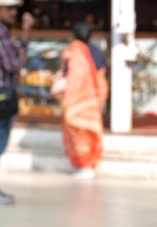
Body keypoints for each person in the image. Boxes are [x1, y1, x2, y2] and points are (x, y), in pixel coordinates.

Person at [0, 0, 34, 206]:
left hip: (3, 96)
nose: (13, 12)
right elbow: (15, 63)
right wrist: (23, 47)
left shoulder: (0, 30)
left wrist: (25, 33)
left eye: (15, 8)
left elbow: (16, 59)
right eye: (9, 8)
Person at [58, 21, 109, 179]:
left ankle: (84, 165)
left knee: (78, 132)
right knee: (90, 130)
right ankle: (89, 163)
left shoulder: (73, 51)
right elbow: (102, 73)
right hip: (93, 97)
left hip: (77, 99)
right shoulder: (95, 51)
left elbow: (67, 73)